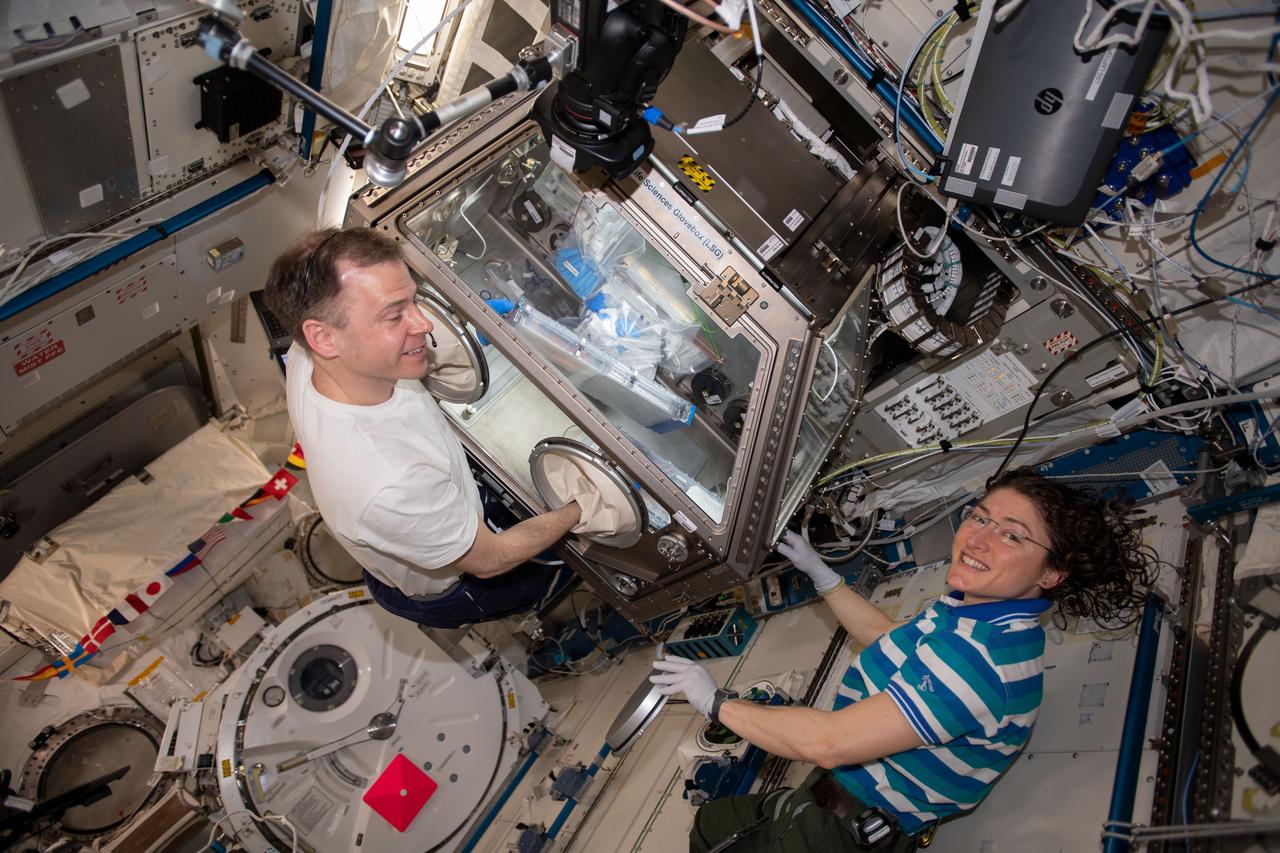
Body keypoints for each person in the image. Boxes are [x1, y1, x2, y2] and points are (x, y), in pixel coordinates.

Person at [651, 468, 1154, 852]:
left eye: (1012, 534)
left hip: (843, 830)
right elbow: (890, 638)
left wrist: (714, 701)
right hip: (830, 794)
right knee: (709, 824)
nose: (976, 539)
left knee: (711, 832)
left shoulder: (982, 660)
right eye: (980, 517)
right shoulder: (975, 611)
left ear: (1052, 574)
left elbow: (829, 743)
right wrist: (821, 574)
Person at [265, 227, 583, 629]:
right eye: (395, 314)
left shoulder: (306, 353)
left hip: (420, 517)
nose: (425, 324)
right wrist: (578, 508)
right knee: (549, 575)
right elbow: (493, 558)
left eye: (413, 300)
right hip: (463, 582)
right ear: (324, 338)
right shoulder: (388, 482)